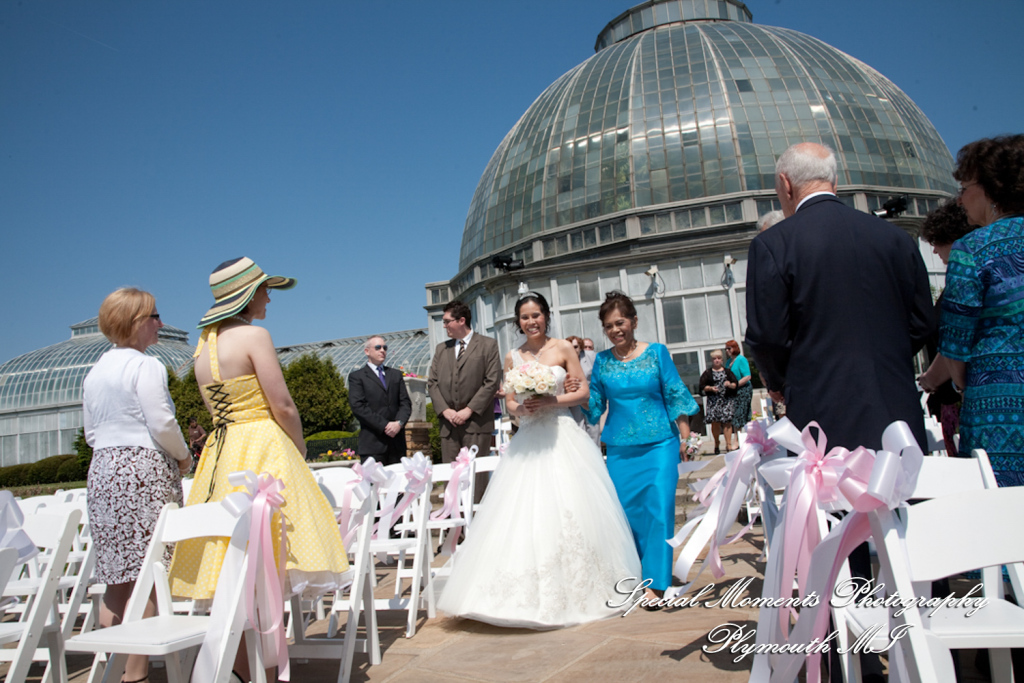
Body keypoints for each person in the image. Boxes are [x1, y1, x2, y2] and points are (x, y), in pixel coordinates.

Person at [169, 258, 348, 645]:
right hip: (263, 444)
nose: (269, 297)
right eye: (265, 289)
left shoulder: (204, 348)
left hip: (222, 452)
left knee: (231, 556)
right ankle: (264, 661)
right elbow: (282, 404)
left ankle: (240, 664)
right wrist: (297, 448)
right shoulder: (255, 337)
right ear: (246, 295)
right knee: (273, 551)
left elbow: (217, 411)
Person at [438, 293, 641, 628]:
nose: (531, 322)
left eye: (536, 315)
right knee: (522, 514)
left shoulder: (563, 348)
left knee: (571, 509)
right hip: (528, 439)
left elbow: (583, 393)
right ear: (518, 322)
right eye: (524, 317)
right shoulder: (512, 356)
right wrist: (522, 408)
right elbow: (511, 404)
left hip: (562, 436)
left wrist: (552, 399)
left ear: (547, 316)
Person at [745, 142, 932, 451]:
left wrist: (779, 382)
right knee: (905, 495)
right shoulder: (896, 238)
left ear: (785, 184)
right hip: (898, 411)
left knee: (833, 500)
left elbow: (767, 335)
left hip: (822, 416)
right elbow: (923, 322)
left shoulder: (774, 245)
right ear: (835, 182)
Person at [84, 288, 191, 683]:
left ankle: (112, 668)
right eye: (154, 316)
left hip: (103, 470)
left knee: (116, 576)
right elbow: (162, 422)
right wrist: (183, 455)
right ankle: (137, 673)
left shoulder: (95, 371)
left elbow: (91, 433)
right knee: (149, 570)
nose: (161, 323)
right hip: (143, 467)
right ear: (135, 322)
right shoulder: (146, 366)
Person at [585, 292, 699, 606]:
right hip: (621, 450)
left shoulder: (657, 353)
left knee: (659, 510)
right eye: (608, 326)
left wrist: (686, 437)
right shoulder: (603, 362)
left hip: (661, 444)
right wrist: (573, 394)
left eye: (620, 322)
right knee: (628, 514)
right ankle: (634, 573)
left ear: (634, 321)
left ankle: (657, 582)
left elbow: (676, 395)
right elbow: (594, 406)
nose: (615, 330)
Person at [938, 134, 1024, 487]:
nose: (960, 198)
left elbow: (955, 341)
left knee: (1002, 516)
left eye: (965, 187)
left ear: (990, 189)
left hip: (1001, 408)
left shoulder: (972, 249)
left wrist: (961, 385)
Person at [916, 200, 974, 457]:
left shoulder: (962, 278)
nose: (935, 251)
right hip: (952, 397)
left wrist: (933, 379)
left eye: (938, 243)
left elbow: (954, 341)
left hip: (959, 398)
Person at [427, 300, 502, 463]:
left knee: (476, 479)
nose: (444, 325)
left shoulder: (488, 345)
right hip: (448, 426)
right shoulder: (441, 349)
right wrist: (445, 411)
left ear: (462, 320)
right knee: (450, 478)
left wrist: (469, 410)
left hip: (477, 424)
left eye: (447, 321)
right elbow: (432, 382)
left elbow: (492, 381)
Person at [348, 335, 411, 465]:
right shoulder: (357, 377)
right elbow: (358, 406)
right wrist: (385, 425)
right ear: (367, 351)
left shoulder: (395, 374)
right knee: (375, 485)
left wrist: (398, 423)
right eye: (378, 347)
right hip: (373, 445)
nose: (382, 350)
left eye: (384, 347)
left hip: (397, 444)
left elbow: (405, 403)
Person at [699, 350, 738, 454]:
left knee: (727, 423)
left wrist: (729, 384)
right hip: (713, 401)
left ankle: (729, 444)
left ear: (722, 359)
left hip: (726, 400)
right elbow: (702, 387)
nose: (717, 360)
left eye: (719, 358)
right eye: (714, 359)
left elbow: (735, 384)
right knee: (715, 423)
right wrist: (711, 388)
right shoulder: (708, 373)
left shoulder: (728, 372)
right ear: (711, 360)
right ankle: (716, 442)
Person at [566, 335, 600, 444]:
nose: (573, 350)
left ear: (580, 347)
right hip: (573, 400)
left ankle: (596, 457)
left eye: (575, 347)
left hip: (590, 397)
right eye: (570, 347)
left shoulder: (590, 356)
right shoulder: (564, 359)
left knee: (594, 430)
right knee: (577, 429)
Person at [725, 340, 753, 447]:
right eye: (726, 349)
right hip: (733, 391)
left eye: (729, 348)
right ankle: (739, 438)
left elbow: (747, 376)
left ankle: (738, 440)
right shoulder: (728, 362)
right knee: (734, 414)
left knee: (740, 413)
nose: (727, 351)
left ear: (735, 348)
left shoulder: (741, 359)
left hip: (743, 389)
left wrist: (736, 385)